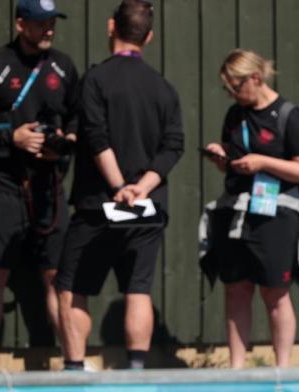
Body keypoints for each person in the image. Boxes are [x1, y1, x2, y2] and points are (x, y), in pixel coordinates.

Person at [55, 0, 184, 370]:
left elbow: (96, 137)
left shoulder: (95, 80)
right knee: (138, 289)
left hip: (99, 206)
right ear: (149, 36)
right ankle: (137, 370)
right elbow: (174, 146)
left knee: (70, 287)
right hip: (147, 209)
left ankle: (74, 370)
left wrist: (120, 187)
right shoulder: (164, 89)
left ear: (112, 27)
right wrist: (141, 188)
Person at [0, 0, 78, 371]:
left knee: (57, 277)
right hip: (3, 186)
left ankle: (73, 364)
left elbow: (78, 120)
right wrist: (13, 137)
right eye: (41, 23)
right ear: (21, 24)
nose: (48, 30)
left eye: (52, 22)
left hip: (49, 188)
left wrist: (63, 144)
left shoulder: (64, 67)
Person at [202, 49, 299, 369]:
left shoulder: (288, 116)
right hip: (237, 209)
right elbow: (232, 156)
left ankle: (282, 369)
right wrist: (220, 154)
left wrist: (263, 162)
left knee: (274, 292)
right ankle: (237, 369)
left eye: (235, 87)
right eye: (227, 89)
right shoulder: (235, 115)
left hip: (276, 212)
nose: (233, 94)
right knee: (236, 289)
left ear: (255, 78)